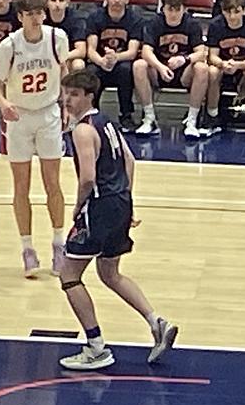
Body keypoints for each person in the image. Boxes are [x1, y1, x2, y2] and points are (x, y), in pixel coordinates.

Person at [58, 69, 178, 370]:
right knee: (110, 273)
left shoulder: (83, 130)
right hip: (119, 202)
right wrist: (126, 198)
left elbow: (87, 178)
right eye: (66, 93)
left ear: (89, 96)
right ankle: (157, 322)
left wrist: (78, 207)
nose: (67, 99)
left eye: (73, 94)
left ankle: (96, 347)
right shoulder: (107, 122)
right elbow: (130, 160)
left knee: (69, 275)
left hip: (98, 206)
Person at [0, 0, 70, 279]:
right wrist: (4, 104)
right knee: (21, 185)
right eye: (30, 13)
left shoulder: (57, 39)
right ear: (20, 17)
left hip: (48, 113)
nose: (36, 18)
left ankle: (59, 245)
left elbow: (66, 72)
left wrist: (67, 104)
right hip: (19, 117)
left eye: (39, 13)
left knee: (53, 183)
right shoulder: (9, 46)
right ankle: (27, 249)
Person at [133, 0, 208, 140]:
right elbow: (146, 52)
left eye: (177, 10)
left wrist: (184, 59)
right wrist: (160, 67)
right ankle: (149, 118)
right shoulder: (154, 22)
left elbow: (202, 53)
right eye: (170, 9)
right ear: (163, 8)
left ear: (184, 9)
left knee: (202, 67)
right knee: (139, 65)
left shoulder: (192, 24)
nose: (173, 14)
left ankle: (191, 121)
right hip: (159, 69)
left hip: (184, 72)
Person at [86, 0, 142, 133]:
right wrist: (102, 61)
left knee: (125, 70)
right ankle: (92, 112)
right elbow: (91, 50)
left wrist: (116, 57)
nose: (117, 0)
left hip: (121, 61)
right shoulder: (95, 18)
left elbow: (132, 52)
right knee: (91, 72)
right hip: (100, 61)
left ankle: (126, 115)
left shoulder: (135, 20)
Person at [205, 0, 245, 136]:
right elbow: (212, 56)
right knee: (212, 72)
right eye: (228, 12)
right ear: (223, 11)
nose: (232, 16)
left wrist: (238, 65)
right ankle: (212, 116)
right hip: (223, 64)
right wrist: (223, 64)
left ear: (244, 11)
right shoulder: (215, 25)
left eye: (236, 11)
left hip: (244, 64)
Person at [45, 0, 86, 72]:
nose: (57, 4)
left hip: (68, 56)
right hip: (45, 58)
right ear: (47, 3)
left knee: (79, 64)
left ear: (67, 3)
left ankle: (73, 87)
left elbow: (81, 50)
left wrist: (61, 57)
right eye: (53, 0)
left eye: (61, 0)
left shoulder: (75, 19)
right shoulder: (41, 18)